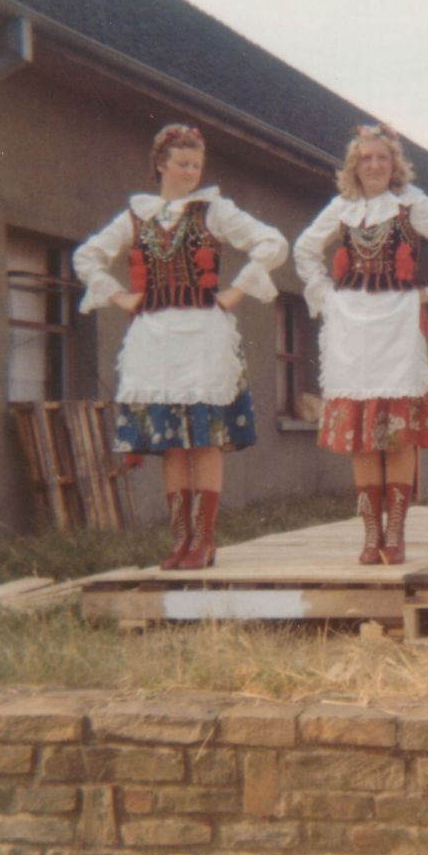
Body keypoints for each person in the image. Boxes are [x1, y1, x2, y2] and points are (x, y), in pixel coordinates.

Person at [73, 124, 288, 570]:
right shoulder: (136, 216)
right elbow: (86, 257)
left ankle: (205, 540)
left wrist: (237, 290)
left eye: (196, 165)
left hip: (203, 335)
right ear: (161, 164)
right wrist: (120, 296)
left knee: (204, 440)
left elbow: (273, 243)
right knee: (172, 444)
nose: (191, 172)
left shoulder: (213, 211)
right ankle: (180, 540)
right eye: (183, 164)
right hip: (154, 338)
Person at [293, 124, 428, 565]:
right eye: (366, 158)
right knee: (362, 437)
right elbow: (304, 250)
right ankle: (370, 532)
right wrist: (325, 294)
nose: (374, 165)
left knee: (396, 433)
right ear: (354, 165)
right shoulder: (341, 208)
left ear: (394, 163)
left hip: (397, 324)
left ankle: (395, 531)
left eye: (382, 157)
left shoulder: (412, 204)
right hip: (352, 329)